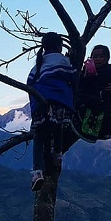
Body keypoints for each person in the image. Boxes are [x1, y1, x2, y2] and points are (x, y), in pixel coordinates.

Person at [27, 32, 77, 192]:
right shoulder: (62, 60)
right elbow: (73, 76)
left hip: (40, 106)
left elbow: (30, 84)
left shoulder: (37, 65)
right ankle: (57, 154)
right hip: (59, 102)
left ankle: (36, 172)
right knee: (58, 127)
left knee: (39, 136)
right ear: (59, 46)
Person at [72, 44, 111, 143]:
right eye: (95, 56)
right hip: (86, 98)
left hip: (103, 98)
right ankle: (86, 132)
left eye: (101, 56)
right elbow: (80, 85)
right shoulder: (86, 69)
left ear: (107, 58)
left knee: (109, 118)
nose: (98, 59)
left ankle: (101, 133)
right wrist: (86, 75)